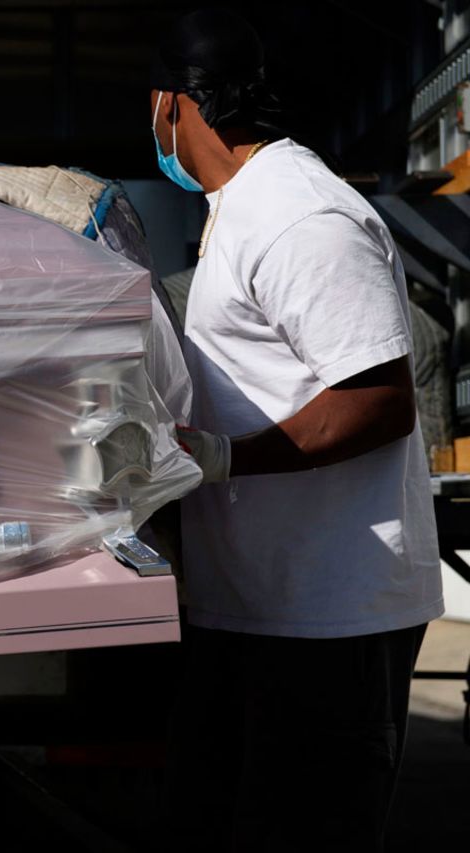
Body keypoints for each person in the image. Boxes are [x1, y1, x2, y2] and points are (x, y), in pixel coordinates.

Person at [149, 10, 443, 851]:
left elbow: (378, 400)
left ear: (176, 105)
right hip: (256, 606)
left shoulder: (299, 216)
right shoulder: (238, 209)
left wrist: (225, 458)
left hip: (327, 621)